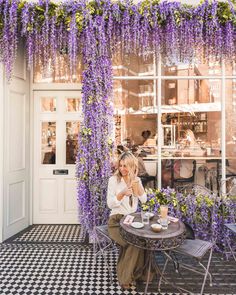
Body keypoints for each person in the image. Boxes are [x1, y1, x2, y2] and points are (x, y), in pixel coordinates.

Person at [107, 151, 148, 289]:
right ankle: (125, 277)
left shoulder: (136, 181)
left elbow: (144, 199)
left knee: (144, 240)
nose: (122, 169)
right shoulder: (114, 180)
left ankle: (141, 274)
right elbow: (110, 204)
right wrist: (122, 193)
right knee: (133, 242)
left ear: (132, 166)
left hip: (131, 219)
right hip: (116, 220)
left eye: (126, 166)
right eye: (121, 165)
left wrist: (137, 184)